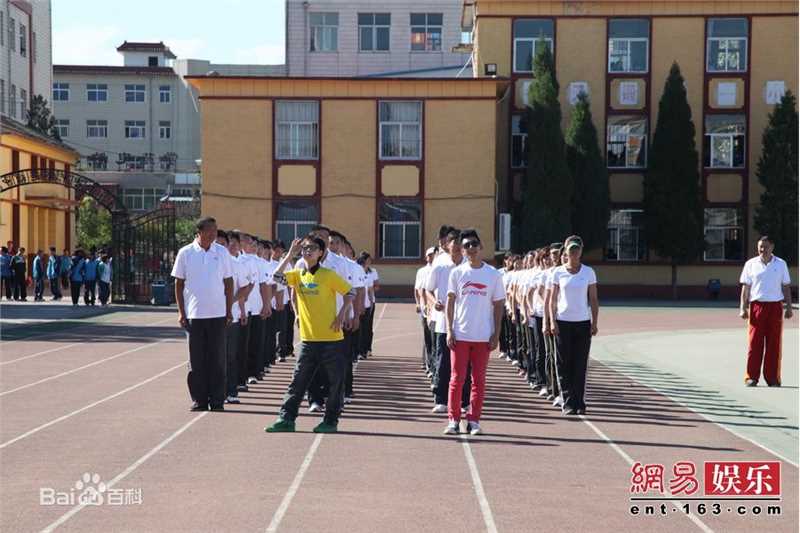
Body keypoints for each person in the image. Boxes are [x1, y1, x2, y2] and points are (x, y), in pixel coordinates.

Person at [265, 235, 354, 434]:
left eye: (312, 248)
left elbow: (351, 293)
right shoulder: (298, 273)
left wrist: (341, 315)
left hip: (331, 340)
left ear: (321, 253)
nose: (307, 251)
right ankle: (286, 419)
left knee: (335, 383)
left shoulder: (328, 275)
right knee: (297, 382)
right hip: (308, 340)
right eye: (304, 248)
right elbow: (276, 277)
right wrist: (289, 255)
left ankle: (330, 421)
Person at [443, 230, 505, 436]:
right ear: (462, 249)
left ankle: (474, 420)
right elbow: (450, 302)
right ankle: (453, 419)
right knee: (456, 379)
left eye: (474, 244)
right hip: (460, 334)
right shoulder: (457, 273)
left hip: (482, 336)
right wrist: (449, 330)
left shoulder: (493, 274)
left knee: (478, 380)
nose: (471, 248)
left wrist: (496, 334)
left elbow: (498, 305)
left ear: (481, 247)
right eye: (467, 245)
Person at [171, 217, 234, 412]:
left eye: (215, 230)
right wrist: (181, 312)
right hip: (194, 315)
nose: (213, 234)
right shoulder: (186, 253)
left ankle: (217, 400)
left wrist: (229, 309)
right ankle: (199, 399)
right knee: (196, 360)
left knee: (217, 359)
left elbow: (229, 282)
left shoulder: (221, 252)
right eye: (210, 230)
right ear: (199, 232)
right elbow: (179, 284)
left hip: (217, 314)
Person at [550, 236, 598, 416]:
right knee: (564, 363)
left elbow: (593, 299)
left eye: (577, 249)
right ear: (566, 251)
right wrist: (551, 321)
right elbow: (553, 300)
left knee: (580, 363)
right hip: (563, 322)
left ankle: (579, 401)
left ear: (581, 251)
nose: (574, 253)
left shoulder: (588, 272)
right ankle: (568, 401)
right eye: (571, 249)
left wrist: (595, 322)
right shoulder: (558, 273)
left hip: (582, 322)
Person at [739, 236, 793, 387]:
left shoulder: (781, 264)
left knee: (774, 344)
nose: (762, 250)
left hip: (775, 307)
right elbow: (745, 288)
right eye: (760, 247)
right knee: (754, 343)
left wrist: (788, 308)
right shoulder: (750, 264)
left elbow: (786, 286)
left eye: (766, 246)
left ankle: (772, 378)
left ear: (772, 247)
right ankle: (751, 377)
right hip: (757, 306)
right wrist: (743, 308)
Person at [223, 231, 253, 404]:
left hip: (230, 315)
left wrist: (238, 307)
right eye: (230, 243)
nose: (232, 245)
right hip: (211, 316)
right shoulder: (215, 263)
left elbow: (245, 287)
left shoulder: (237, 264)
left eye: (235, 243)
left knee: (231, 355)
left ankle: (231, 391)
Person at [415, 248, 436, 372]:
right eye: (430, 255)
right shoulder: (422, 271)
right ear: (426, 257)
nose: (432, 257)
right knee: (427, 336)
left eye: (434, 255)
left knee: (435, 338)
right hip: (426, 308)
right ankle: (428, 363)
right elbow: (420, 289)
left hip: (438, 310)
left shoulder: (439, 268)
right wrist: (419, 304)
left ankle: (431, 363)